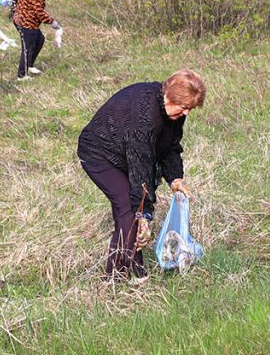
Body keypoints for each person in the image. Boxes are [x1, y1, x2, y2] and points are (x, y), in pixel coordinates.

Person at [77, 70, 205, 279]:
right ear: (171, 96)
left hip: (125, 154)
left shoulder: (173, 111)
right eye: (184, 107)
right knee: (129, 208)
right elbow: (140, 165)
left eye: (190, 109)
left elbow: (170, 145)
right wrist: (144, 213)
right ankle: (116, 279)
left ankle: (136, 270)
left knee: (131, 209)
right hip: (99, 153)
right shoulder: (144, 117)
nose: (186, 114)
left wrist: (175, 178)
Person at [13, 0, 61, 79]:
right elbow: (38, 11)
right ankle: (22, 75)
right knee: (27, 48)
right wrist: (52, 22)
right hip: (26, 22)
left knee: (39, 40)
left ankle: (29, 65)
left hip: (23, 20)